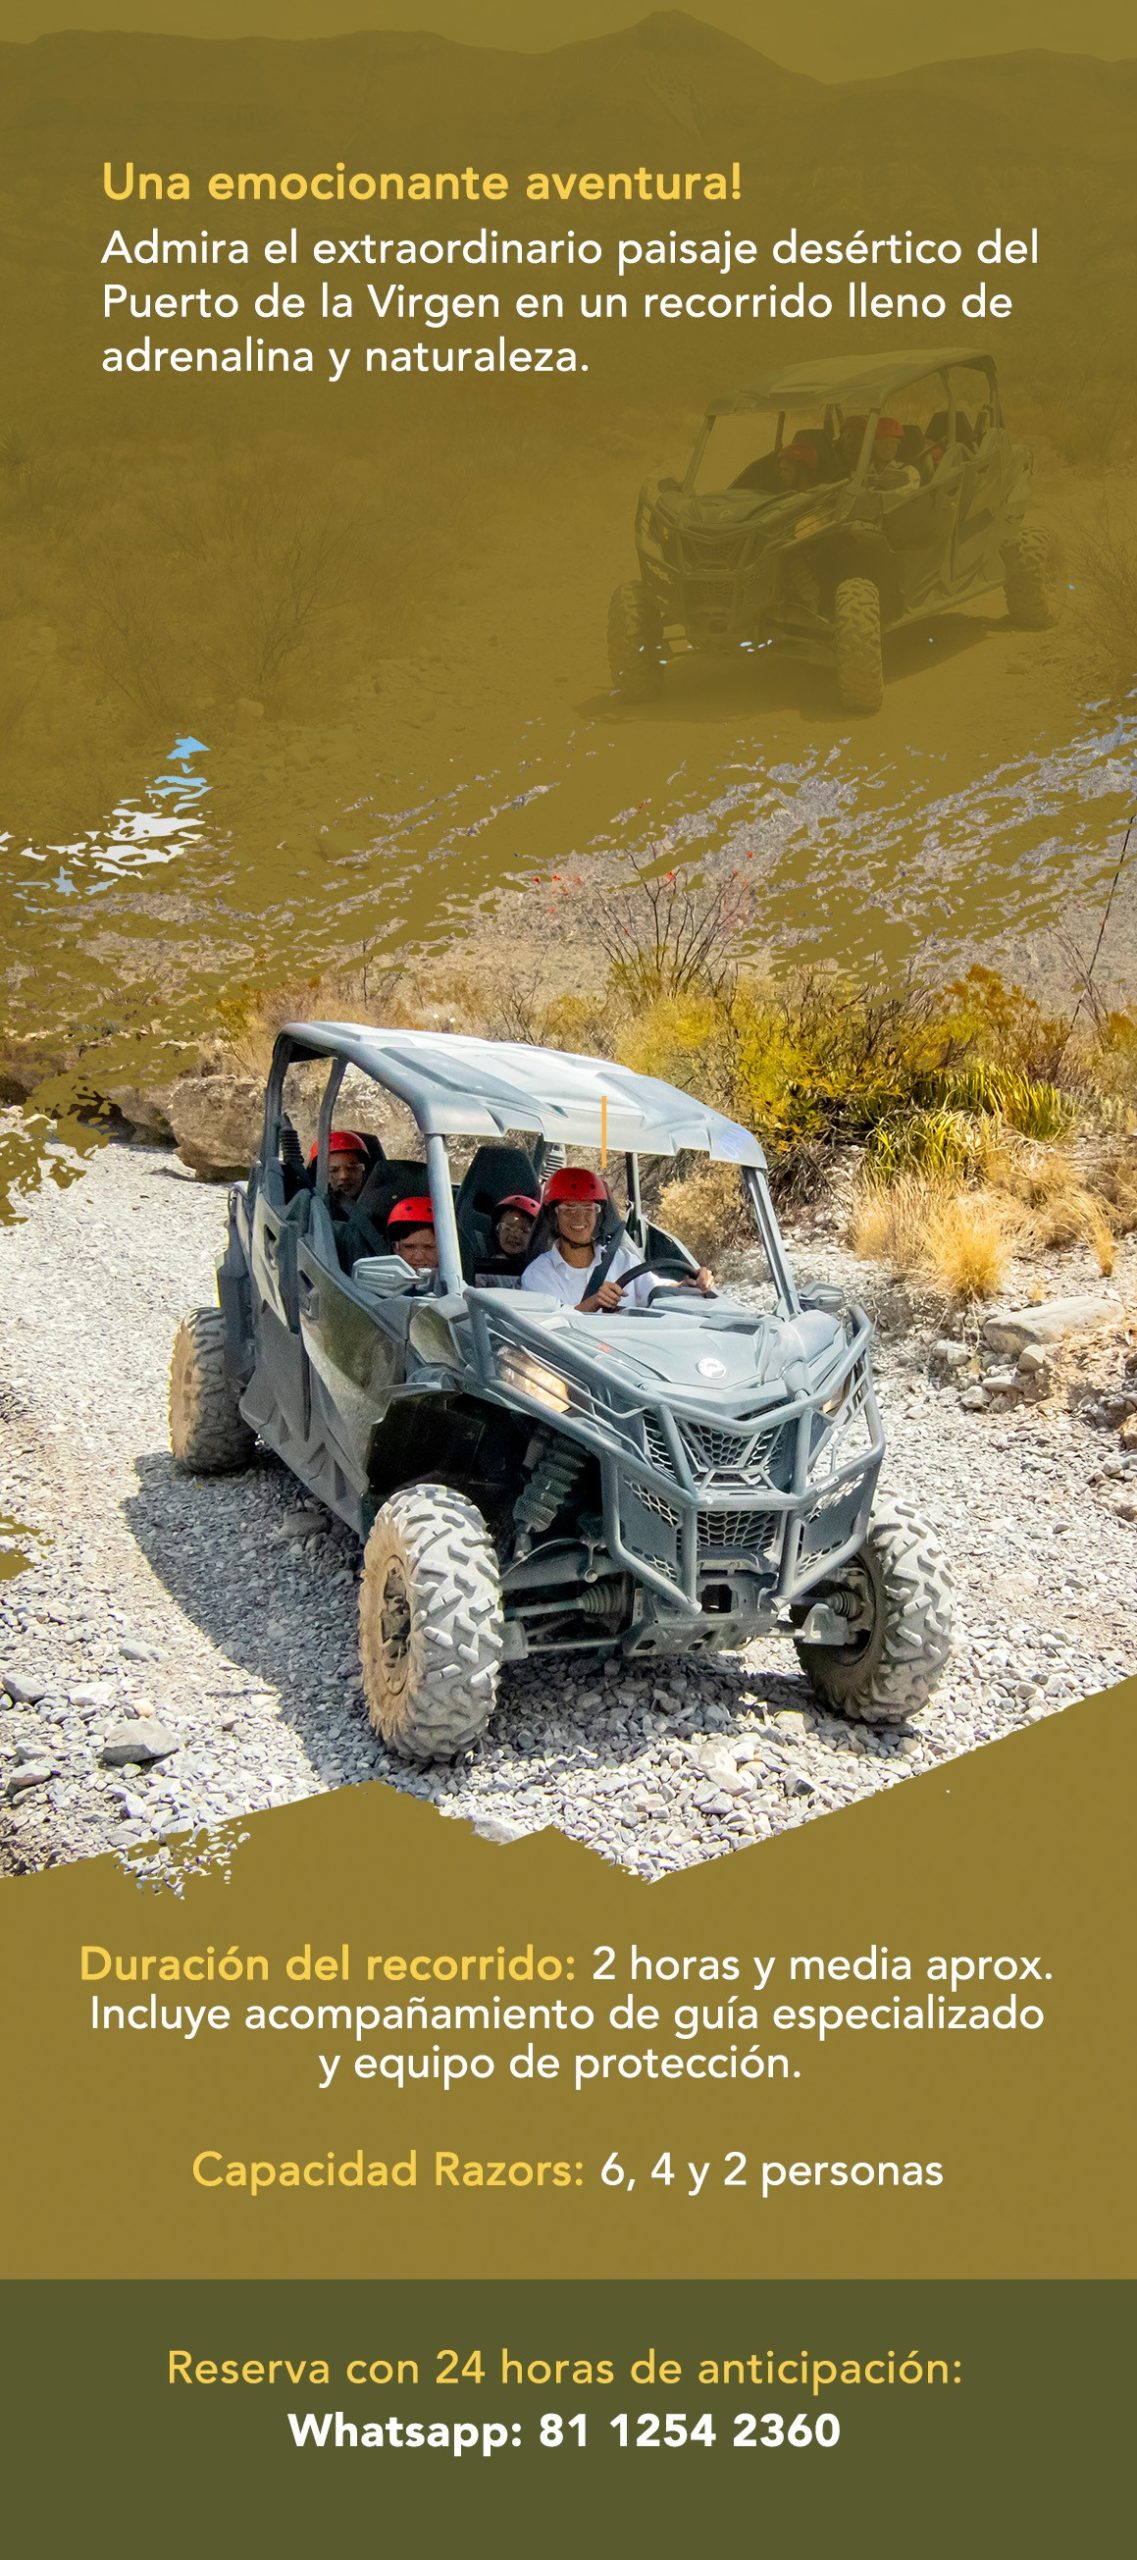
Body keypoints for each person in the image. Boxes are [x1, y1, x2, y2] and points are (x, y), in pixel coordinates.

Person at [521, 1167, 714, 1313]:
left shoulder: (623, 1260)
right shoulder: (538, 1273)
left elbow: (656, 1291)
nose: (579, 1218)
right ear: (554, 1216)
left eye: (588, 1209)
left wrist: (689, 1285)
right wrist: (593, 1302)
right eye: (569, 1208)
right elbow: (547, 1331)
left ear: (599, 1216)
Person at [308, 1128, 370, 1204]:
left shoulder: (380, 1203)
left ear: (364, 1171)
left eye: (352, 1168)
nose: (344, 1176)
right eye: (333, 1170)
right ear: (316, 1175)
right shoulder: (310, 1208)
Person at [486, 1192, 540, 1276]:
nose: (515, 1235)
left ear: (535, 1238)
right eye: (507, 1228)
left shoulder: (540, 1269)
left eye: (524, 1230)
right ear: (497, 1231)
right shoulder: (488, 1268)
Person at [385, 1195, 440, 1277]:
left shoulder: (457, 1280)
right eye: (409, 1247)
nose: (418, 1257)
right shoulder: (381, 1279)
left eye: (429, 1247)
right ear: (395, 1248)